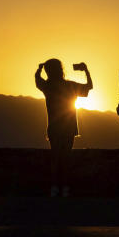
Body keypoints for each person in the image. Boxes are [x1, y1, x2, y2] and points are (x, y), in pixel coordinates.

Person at [35, 59, 93, 197]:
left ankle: (54, 188)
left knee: (55, 158)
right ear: (61, 70)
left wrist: (39, 69)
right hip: (69, 127)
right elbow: (89, 87)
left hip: (54, 128)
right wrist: (86, 70)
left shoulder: (48, 86)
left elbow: (37, 80)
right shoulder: (70, 86)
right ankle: (65, 188)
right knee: (66, 158)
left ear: (48, 71)